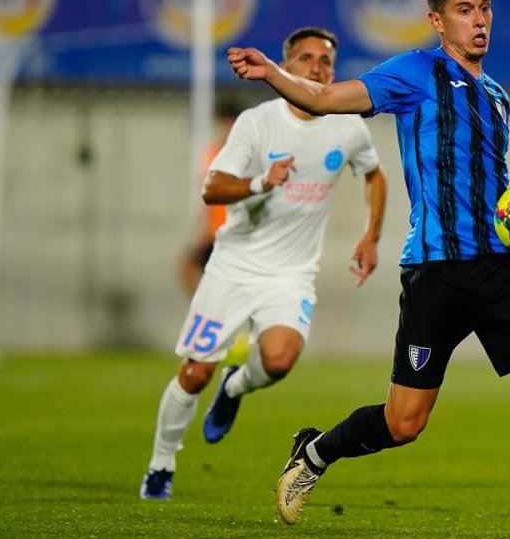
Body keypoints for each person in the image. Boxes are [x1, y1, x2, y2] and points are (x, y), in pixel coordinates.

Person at [228, 0, 510, 539]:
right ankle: (315, 453)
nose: (479, 21)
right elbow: (326, 97)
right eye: (464, 10)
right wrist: (272, 74)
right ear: (437, 20)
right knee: (404, 423)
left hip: (501, 267)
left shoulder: (497, 97)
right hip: (438, 274)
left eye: (485, 8)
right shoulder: (415, 72)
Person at [140, 27, 388, 500]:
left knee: (279, 360)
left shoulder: (348, 126)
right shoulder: (257, 123)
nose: (317, 68)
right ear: (285, 66)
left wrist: (371, 236)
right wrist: (260, 183)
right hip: (233, 267)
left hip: (291, 274)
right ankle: (161, 463)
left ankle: (235, 387)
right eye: (306, 58)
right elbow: (213, 188)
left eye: (326, 61)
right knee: (194, 374)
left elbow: (375, 175)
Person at [178, 98, 245, 297]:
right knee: (189, 269)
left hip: (237, 232)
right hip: (215, 233)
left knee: (236, 283)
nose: (227, 128)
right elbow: (207, 196)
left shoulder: (247, 154)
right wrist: (202, 231)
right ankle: (209, 309)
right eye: (225, 123)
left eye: (231, 123)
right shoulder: (213, 152)